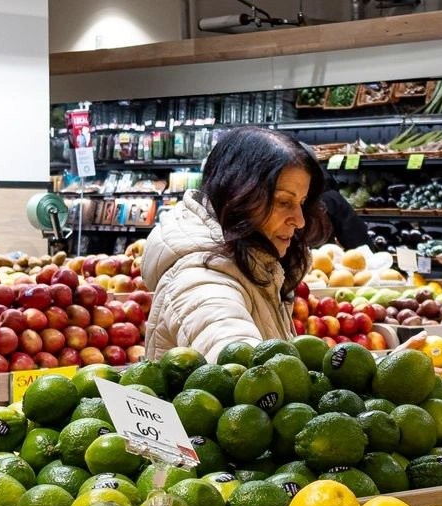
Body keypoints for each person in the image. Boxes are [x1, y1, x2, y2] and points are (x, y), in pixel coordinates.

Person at [141, 126, 331, 363]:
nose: (300, 220)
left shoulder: (260, 263)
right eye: (283, 202)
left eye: (301, 202)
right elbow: (238, 360)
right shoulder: (200, 280)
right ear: (238, 196)